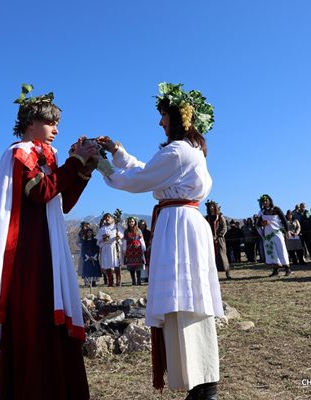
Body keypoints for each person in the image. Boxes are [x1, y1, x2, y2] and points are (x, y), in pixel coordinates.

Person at [0, 84, 97, 399]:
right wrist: (74, 163)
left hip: (48, 249)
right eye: (51, 122)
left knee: (51, 319)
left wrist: (83, 168)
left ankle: (59, 388)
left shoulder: (48, 156)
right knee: (34, 319)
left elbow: (62, 201)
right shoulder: (20, 152)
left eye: (57, 124)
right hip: (28, 252)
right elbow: (39, 193)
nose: (56, 129)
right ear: (30, 123)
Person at [98, 82, 223, 399]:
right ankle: (198, 383)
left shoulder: (178, 152)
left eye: (163, 115)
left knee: (183, 301)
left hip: (179, 228)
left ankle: (205, 388)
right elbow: (148, 170)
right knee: (184, 301)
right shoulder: (185, 152)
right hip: (182, 224)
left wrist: (101, 166)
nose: (160, 122)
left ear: (178, 118)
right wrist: (116, 152)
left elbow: (138, 180)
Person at [256, 194, 291, 277]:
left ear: (269, 200)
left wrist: (287, 231)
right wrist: (262, 223)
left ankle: (287, 268)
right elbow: (257, 224)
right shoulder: (262, 212)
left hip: (277, 232)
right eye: (263, 201)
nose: (265, 202)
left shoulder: (276, 209)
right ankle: (275, 269)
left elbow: (284, 220)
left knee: (281, 249)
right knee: (272, 251)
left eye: (266, 201)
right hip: (268, 234)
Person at [205, 200, 231, 279]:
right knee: (212, 256)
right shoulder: (207, 218)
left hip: (219, 239)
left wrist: (218, 235)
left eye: (212, 206)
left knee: (222, 255)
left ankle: (227, 273)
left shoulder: (220, 217)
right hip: (210, 239)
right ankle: (213, 274)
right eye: (210, 207)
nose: (211, 208)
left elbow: (224, 228)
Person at [97, 212, 123, 287]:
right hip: (106, 248)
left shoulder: (116, 226)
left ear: (112, 219)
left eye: (109, 217)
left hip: (115, 247)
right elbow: (98, 240)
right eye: (106, 218)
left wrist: (119, 236)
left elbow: (122, 235)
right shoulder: (102, 229)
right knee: (108, 265)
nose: (107, 219)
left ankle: (118, 281)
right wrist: (103, 239)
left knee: (117, 264)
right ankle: (110, 282)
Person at [122, 216, 146, 286]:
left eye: (132, 221)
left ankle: (139, 280)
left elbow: (141, 239)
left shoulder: (138, 230)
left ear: (135, 222)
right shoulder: (126, 231)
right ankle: (133, 280)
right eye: (130, 222)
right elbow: (124, 241)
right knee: (131, 266)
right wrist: (124, 249)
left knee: (138, 265)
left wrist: (143, 247)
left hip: (137, 249)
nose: (131, 223)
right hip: (129, 250)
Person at [138, 219, 151, 284]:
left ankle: (147, 277)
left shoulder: (148, 232)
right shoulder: (137, 231)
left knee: (147, 263)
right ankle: (141, 277)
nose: (142, 225)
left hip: (147, 249)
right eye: (140, 224)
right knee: (140, 263)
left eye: (143, 224)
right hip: (138, 249)